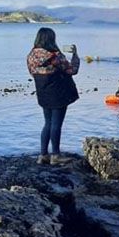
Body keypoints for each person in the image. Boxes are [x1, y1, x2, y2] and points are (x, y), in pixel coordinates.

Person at [27, 27, 80, 165]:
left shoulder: (31, 56)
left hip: (43, 93)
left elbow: (32, 73)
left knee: (48, 123)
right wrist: (75, 55)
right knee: (56, 124)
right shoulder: (55, 56)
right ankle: (55, 155)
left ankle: (43, 155)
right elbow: (72, 70)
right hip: (58, 93)